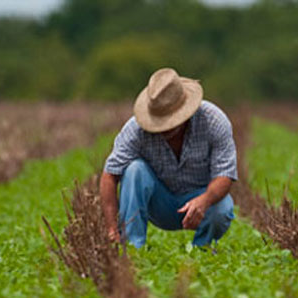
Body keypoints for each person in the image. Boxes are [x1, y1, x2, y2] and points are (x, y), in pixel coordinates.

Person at [100, 67, 237, 248]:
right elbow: (109, 176)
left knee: (223, 207)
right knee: (134, 170)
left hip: (200, 199)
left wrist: (204, 201)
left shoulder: (214, 121)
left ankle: (202, 253)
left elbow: (225, 175)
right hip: (159, 203)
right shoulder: (135, 130)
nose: (165, 128)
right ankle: (132, 250)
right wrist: (111, 229)